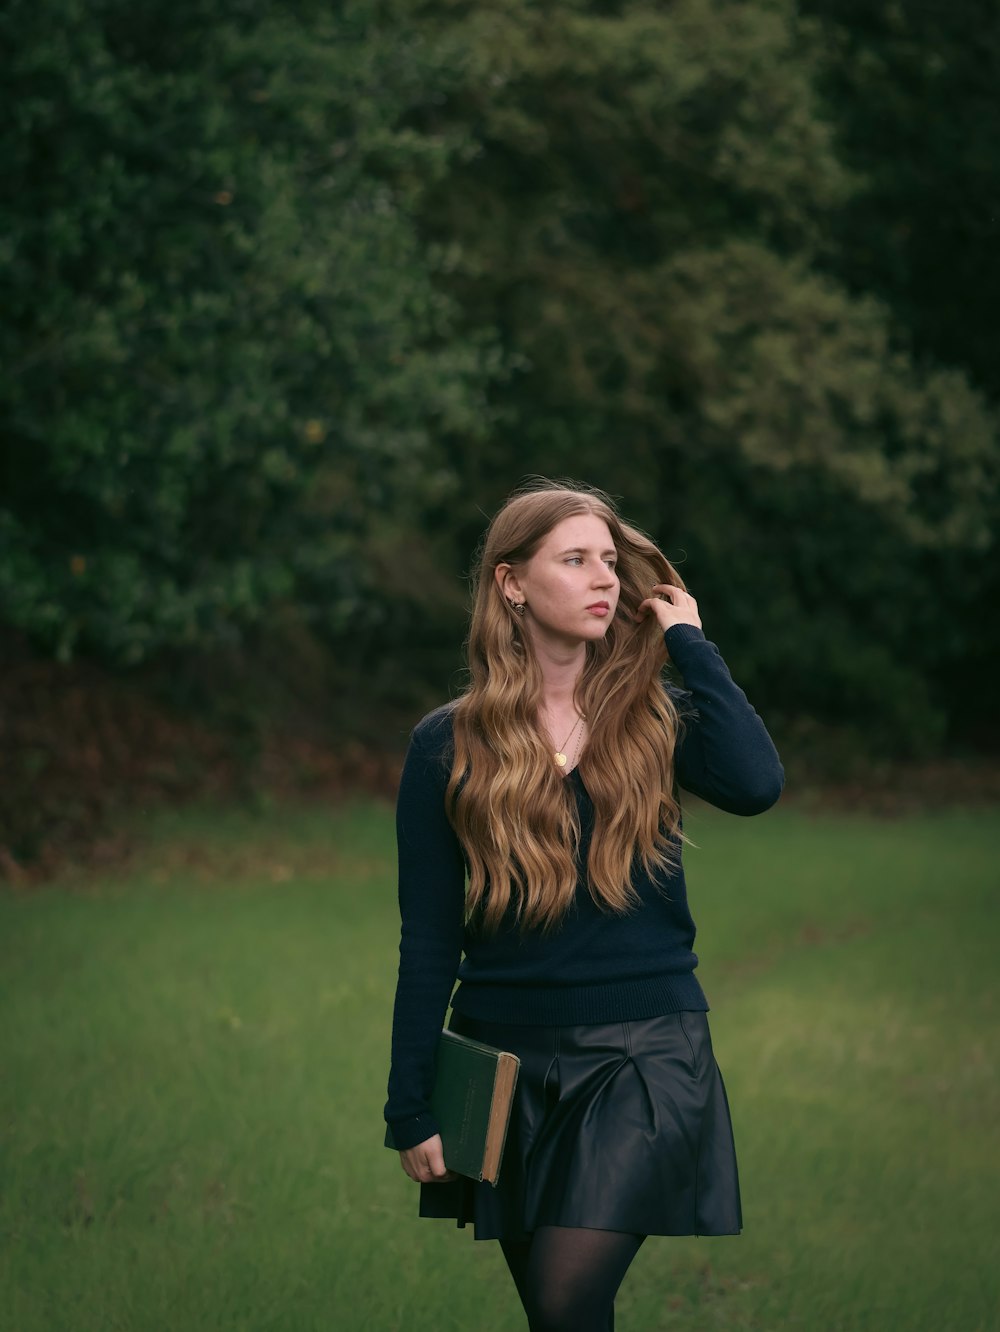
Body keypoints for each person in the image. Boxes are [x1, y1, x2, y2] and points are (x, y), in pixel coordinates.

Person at [384, 480, 784, 1332]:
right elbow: (428, 940)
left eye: (610, 560)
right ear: (512, 583)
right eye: (575, 560)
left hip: (643, 1056)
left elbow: (756, 785)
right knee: (561, 1319)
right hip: (506, 1069)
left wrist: (690, 645)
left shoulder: (655, 720)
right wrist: (409, 1105)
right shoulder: (446, 744)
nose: (604, 578)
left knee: (568, 1301)